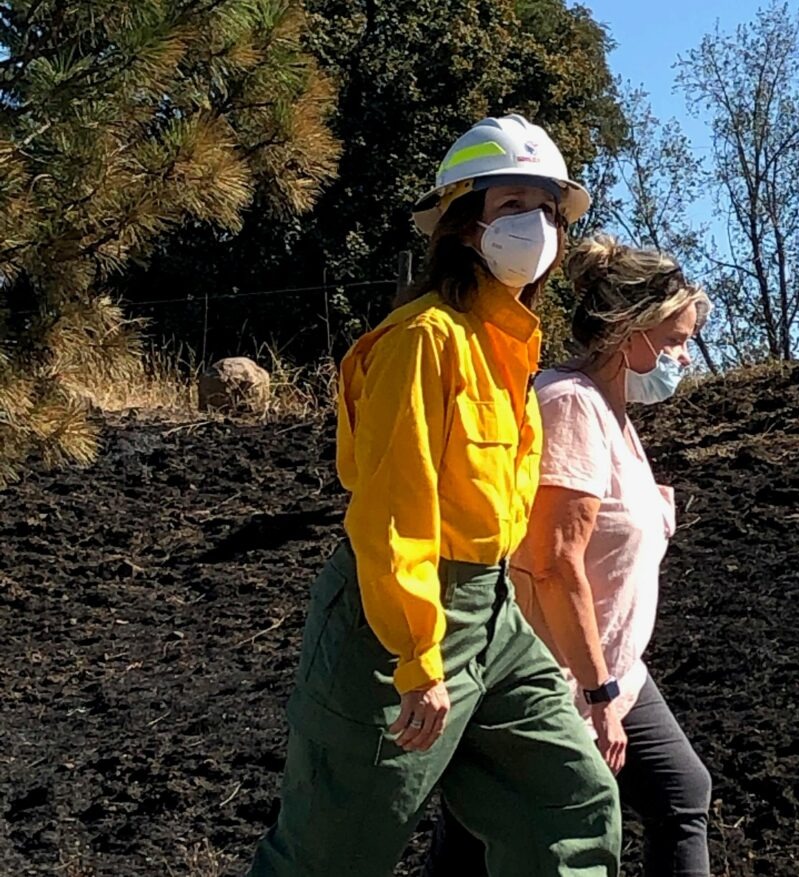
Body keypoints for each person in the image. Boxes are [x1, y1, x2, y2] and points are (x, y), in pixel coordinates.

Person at [248, 117, 620, 877]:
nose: (538, 226)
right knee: (332, 855)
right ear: (462, 227)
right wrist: (419, 656)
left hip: (493, 617)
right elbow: (394, 510)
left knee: (571, 802)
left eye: (550, 210)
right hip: (398, 623)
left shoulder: (506, 346)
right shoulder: (423, 339)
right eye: (515, 203)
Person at [424, 234, 714, 877]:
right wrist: (598, 692)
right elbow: (551, 562)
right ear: (628, 332)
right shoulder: (570, 405)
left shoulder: (614, 415)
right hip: (557, 675)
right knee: (498, 830)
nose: (684, 357)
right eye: (674, 341)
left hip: (614, 668)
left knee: (680, 794)